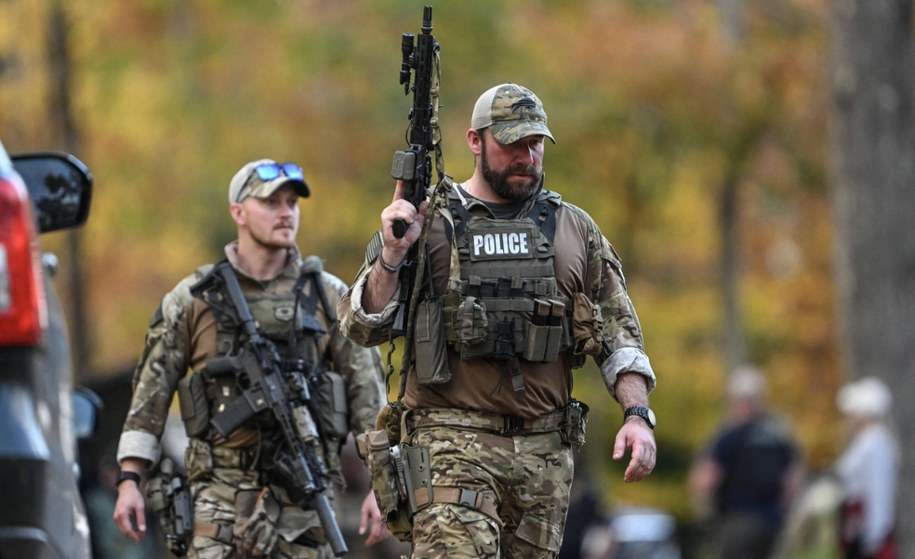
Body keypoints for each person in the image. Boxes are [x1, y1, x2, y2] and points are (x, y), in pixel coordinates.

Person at [338, 82, 657, 558]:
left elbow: (619, 334)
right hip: (450, 445)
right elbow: (362, 325)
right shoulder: (428, 223)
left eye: (535, 144)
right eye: (512, 144)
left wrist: (637, 415)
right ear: (475, 141)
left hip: (544, 456)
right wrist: (391, 255)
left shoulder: (574, 230)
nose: (527, 156)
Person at [113, 159, 390, 558]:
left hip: (305, 501)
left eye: (292, 202)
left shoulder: (330, 296)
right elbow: (150, 394)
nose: (285, 212)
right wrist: (129, 481)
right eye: (271, 202)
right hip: (217, 503)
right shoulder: (194, 299)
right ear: (238, 213)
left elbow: (370, 395)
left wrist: (382, 487)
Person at [688, 365, 803, 559]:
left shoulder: (730, 437)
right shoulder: (779, 436)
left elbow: (706, 480)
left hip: (736, 523)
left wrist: (703, 511)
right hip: (772, 525)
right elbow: (792, 481)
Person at [834, 376, 898, 559]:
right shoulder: (863, 442)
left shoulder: (875, 443)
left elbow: (878, 489)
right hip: (857, 531)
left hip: (869, 534)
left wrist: (875, 535)